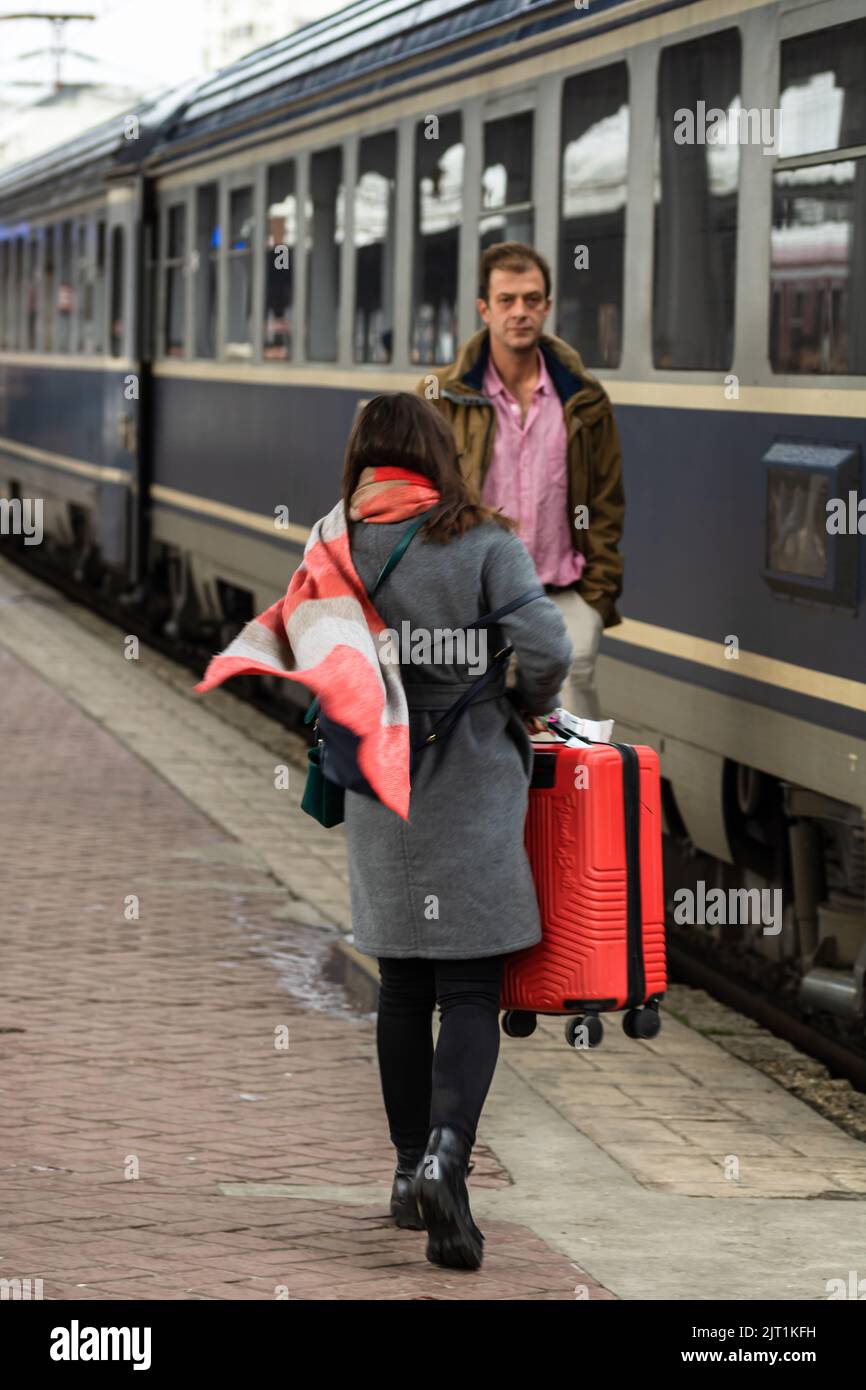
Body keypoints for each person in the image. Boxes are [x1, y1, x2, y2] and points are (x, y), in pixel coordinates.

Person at [341, 392, 573, 1271]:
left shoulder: (334, 543)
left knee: (402, 986)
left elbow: (311, 658)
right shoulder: (484, 541)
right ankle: (448, 1154)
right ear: (442, 455)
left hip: (381, 790)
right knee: (470, 989)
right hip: (471, 783)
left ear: (365, 457)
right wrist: (520, 702)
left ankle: (408, 1175)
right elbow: (547, 646)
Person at [416, 240, 624, 722]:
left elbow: (608, 503)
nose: (520, 312)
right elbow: (415, 499)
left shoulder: (586, 402)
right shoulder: (441, 399)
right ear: (484, 308)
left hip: (561, 595)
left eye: (532, 300)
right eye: (507, 300)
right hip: (471, 599)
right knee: (470, 736)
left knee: (572, 746)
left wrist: (595, 600)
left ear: (547, 307)